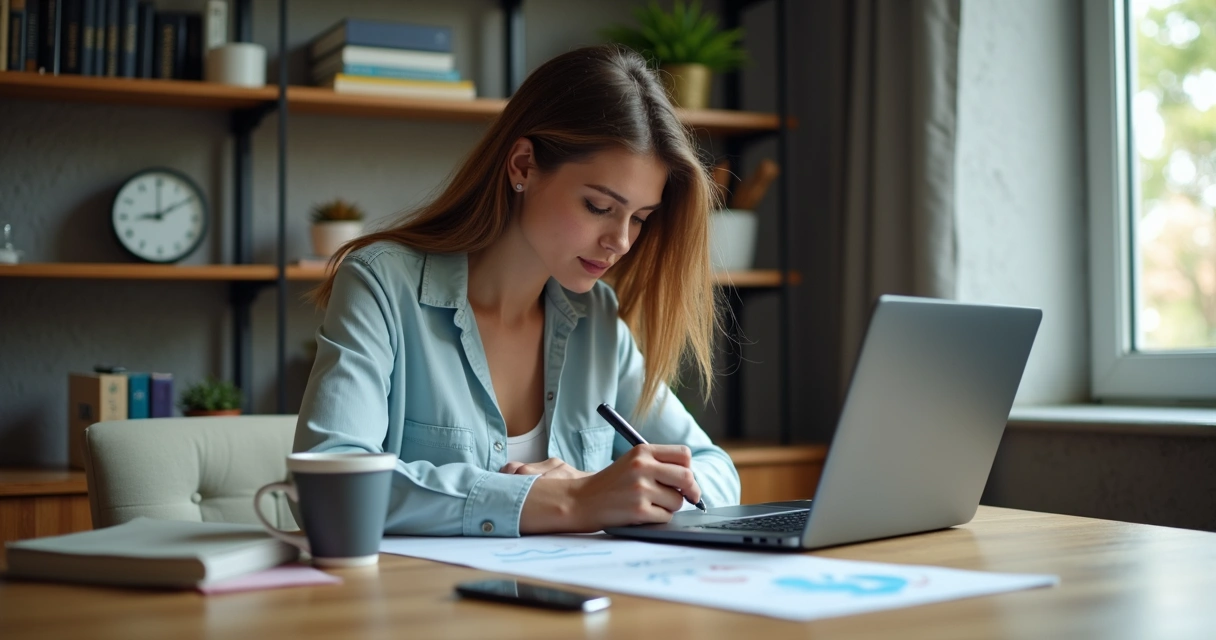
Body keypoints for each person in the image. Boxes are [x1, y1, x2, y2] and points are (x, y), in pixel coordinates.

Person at [294, 45, 740, 537]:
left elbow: (712, 470)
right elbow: (329, 483)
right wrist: (569, 500)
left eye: (639, 218)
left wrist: (602, 489)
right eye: (598, 206)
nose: (621, 241)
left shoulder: (597, 317)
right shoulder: (381, 284)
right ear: (523, 165)